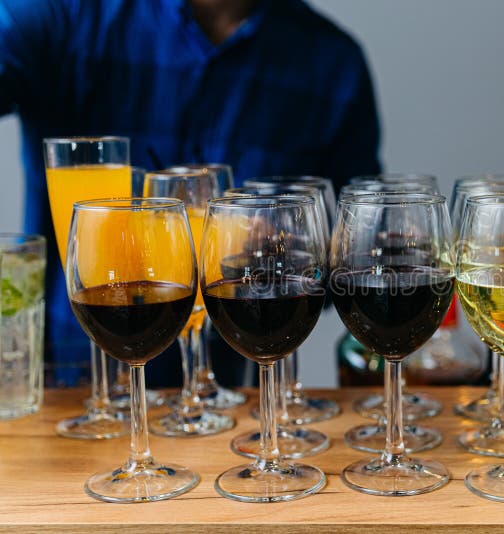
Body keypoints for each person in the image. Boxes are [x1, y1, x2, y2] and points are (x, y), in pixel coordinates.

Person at [0, 0, 382, 385]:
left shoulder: (333, 61)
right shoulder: (60, 14)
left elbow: (351, 254)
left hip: (222, 404)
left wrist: (284, 249)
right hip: (69, 383)